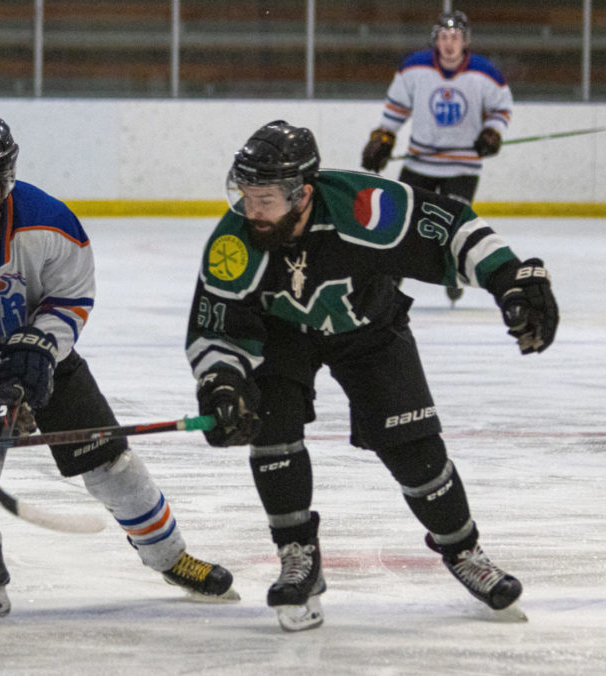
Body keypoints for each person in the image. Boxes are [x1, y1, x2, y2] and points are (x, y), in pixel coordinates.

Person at [188, 120, 557, 631]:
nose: (251, 211)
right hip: (282, 337)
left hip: (369, 329)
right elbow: (217, 326)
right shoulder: (234, 241)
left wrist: (509, 278)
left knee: (416, 452)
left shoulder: (365, 205)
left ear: (304, 193)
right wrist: (222, 382)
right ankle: (297, 553)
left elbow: (452, 229)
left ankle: (464, 552)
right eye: (246, 194)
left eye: (265, 199)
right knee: (270, 428)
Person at [0, 114, 237, 620]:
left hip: (41, 352)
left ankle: (171, 556)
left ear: (4, 181)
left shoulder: (49, 222)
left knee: (110, 464)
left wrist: (41, 347)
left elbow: (72, 295)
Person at [360, 10, 513, 303]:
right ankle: (390, 286)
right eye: (444, 37)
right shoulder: (414, 67)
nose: (449, 44)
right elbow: (396, 109)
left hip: (463, 167)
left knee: (454, 229)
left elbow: (501, 108)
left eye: (455, 37)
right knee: (402, 226)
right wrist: (384, 137)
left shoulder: (484, 72)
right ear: (436, 41)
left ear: (465, 41)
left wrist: (492, 132)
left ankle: (454, 274)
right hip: (420, 163)